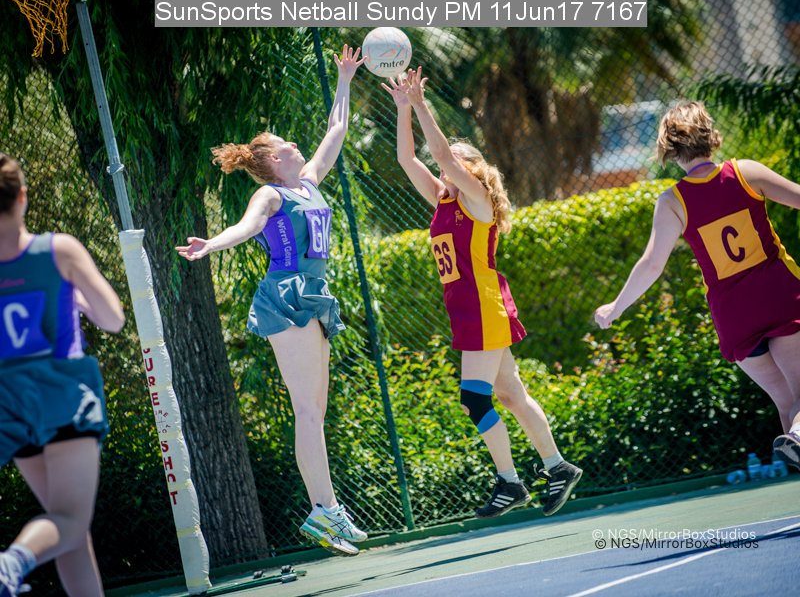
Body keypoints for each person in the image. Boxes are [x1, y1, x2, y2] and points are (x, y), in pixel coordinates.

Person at [176, 45, 368, 556]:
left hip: (314, 294)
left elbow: (337, 130)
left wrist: (345, 78)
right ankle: (323, 511)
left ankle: (327, 509)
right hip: (286, 295)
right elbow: (246, 227)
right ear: (274, 162)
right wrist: (211, 244)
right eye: (288, 145)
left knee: (315, 411)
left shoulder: (308, 183)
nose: (298, 145)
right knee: (306, 409)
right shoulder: (272, 195)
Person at [382, 68, 583, 518]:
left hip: (482, 306)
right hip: (468, 309)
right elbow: (407, 159)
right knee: (511, 395)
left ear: (473, 168)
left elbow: (438, 151)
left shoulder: (477, 199)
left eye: (454, 159)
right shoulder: (444, 199)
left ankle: (510, 482)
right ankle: (558, 467)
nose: (443, 163)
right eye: (445, 162)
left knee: (474, 399)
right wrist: (402, 109)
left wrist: (421, 104)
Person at [594, 101, 800, 471]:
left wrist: (616, 307)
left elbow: (652, 264)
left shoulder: (672, 201)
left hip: (734, 316)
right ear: (711, 136)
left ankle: (796, 438)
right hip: (779, 295)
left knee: (787, 403)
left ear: (669, 150)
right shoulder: (745, 172)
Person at [0, 152, 125, 596]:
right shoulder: (58, 250)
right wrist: (80, 302)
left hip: (9, 400)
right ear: (22, 196)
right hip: (60, 392)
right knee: (70, 519)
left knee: (67, 525)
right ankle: (11, 563)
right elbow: (114, 320)